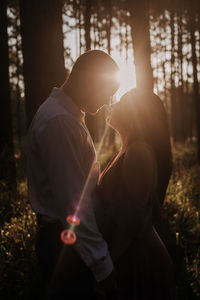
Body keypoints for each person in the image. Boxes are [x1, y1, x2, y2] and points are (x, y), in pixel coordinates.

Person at [27, 50, 120, 299]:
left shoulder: (66, 115)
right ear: (90, 81)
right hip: (66, 248)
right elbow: (74, 205)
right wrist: (103, 266)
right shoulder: (60, 121)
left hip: (69, 244)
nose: (106, 103)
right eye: (106, 93)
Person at [96, 88, 178, 299]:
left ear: (135, 115)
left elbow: (132, 222)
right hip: (128, 255)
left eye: (122, 101)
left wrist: (108, 265)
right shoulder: (128, 149)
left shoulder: (138, 153)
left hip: (136, 260)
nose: (113, 104)